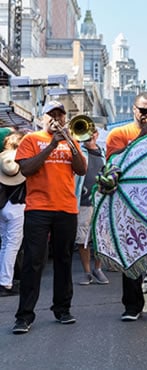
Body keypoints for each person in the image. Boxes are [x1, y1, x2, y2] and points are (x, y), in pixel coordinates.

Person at [12, 100, 87, 334]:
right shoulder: (31, 140)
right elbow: (26, 169)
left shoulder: (71, 140)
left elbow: (82, 169)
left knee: (64, 259)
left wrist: (70, 144)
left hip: (66, 207)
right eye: (51, 115)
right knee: (34, 261)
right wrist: (51, 146)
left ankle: (62, 309)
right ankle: (24, 316)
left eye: (60, 115)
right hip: (38, 208)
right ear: (42, 118)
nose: (56, 119)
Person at [105, 92, 147, 323]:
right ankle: (132, 305)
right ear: (134, 110)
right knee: (132, 253)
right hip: (130, 205)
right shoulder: (119, 134)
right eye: (143, 111)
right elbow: (115, 165)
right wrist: (142, 138)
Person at [74, 126, 109, 286]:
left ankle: (98, 268)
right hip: (83, 202)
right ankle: (87, 272)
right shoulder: (79, 151)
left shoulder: (104, 153)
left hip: (101, 202)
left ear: (96, 134)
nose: (89, 136)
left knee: (101, 238)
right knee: (83, 239)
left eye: (92, 133)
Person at [0, 130, 26, 296]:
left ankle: (3, 279)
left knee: (4, 244)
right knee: (12, 246)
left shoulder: (4, 160)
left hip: (2, 206)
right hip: (16, 207)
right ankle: (6, 282)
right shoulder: (21, 161)